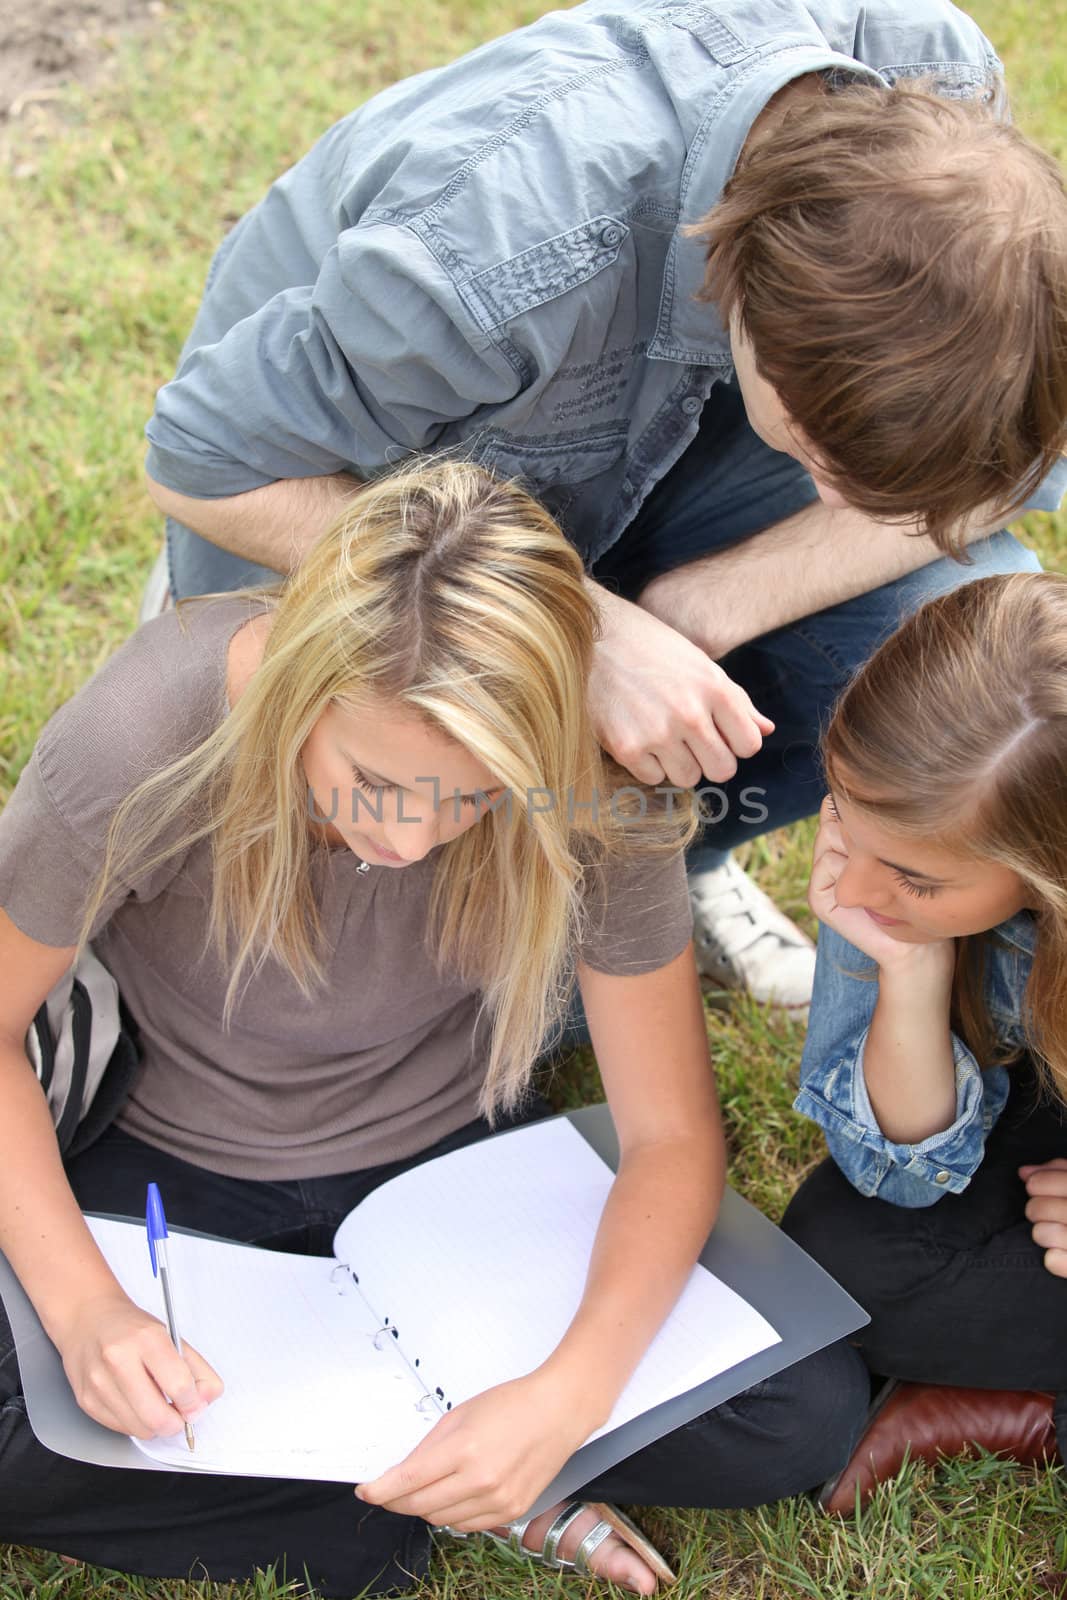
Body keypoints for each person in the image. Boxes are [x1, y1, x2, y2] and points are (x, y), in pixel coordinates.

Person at [0, 461, 868, 1597]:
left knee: (794, 1413)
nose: (407, 836)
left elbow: (666, 1133)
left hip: (451, 1172)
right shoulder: (145, 734)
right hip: (171, 1165)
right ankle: (457, 1484)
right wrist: (89, 1311)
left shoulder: (595, 784)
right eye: (369, 779)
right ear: (302, 682)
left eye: (469, 798)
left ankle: (417, 1465)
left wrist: (567, 1395)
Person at [140, 0, 1067, 1011]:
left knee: (957, 637)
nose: (847, 505)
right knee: (368, 1007)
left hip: (635, 482)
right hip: (352, 516)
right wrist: (572, 629)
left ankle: (658, 864)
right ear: (746, 306)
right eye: (822, 456)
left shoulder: (942, 100)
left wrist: (702, 607)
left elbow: (1004, 473)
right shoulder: (500, 245)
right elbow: (203, 463)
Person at [781, 571, 1067, 1511]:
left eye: (912, 879)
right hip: (1037, 1126)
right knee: (842, 1261)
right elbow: (895, 1176)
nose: (852, 893)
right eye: (842, 822)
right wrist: (909, 970)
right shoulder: (884, 858)